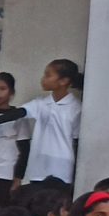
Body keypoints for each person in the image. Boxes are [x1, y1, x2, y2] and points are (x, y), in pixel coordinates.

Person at [24, 59, 82, 188]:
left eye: (48, 75)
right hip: (38, 166)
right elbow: (19, 112)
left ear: (63, 81)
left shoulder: (76, 107)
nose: (43, 79)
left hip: (62, 168)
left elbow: (76, 139)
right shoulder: (40, 103)